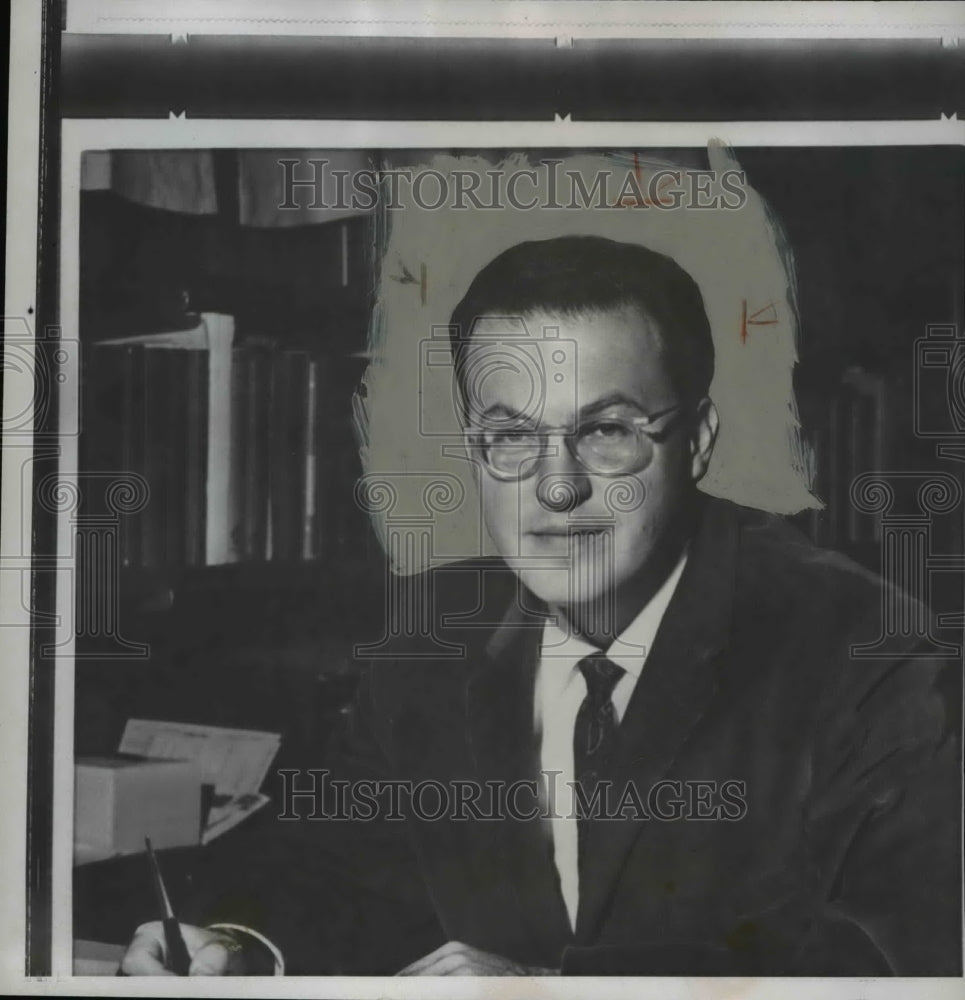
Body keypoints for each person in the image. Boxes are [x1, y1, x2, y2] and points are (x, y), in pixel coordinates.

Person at [121, 235, 961, 976]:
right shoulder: (436, 631)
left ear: (697, 440)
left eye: (607, 429)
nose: (556, 488)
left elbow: (892, 956)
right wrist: (239, 942)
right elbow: (341, 866)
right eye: (513, 436)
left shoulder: (867, 651)